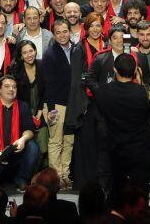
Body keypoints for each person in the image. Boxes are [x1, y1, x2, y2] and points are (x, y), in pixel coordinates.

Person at [96, 54, 150, 201]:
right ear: (136, 70)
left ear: (115, 70)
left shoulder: (103, 91)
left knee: (118, 190)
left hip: (115, 148)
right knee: (141, 192)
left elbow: (102, 111)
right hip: (140, 148)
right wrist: (142, 83)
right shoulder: (143, 92)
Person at [64, 12, 107, 189]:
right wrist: (82, 106)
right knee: (86, 143)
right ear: (86, 28)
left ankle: (102, 179)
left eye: (98, 25)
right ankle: (86, 182)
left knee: (102, 142)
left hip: (104, 102)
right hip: (86, 102)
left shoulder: (108, 46)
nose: (95, 29)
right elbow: (75, 81)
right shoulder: (78, 49)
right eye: (92, 26)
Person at [0, 74, 39, 191]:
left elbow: (30, 129)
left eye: (14, 87)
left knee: (33, 147)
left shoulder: (23, 106)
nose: (11, 89)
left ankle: (21, 179)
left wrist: (22, 139)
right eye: (7, 86)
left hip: (14, 151)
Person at [40, 20, 76, 188]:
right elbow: (48, 85)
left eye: (65, 31)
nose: (62, 35)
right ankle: (56, 177)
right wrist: (52, 109)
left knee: (69, 140)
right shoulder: (50, 54)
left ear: (70, 32)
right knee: (56, 141)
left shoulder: (76, 49)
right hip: (56, 105)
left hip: (72, 105)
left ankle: (65, 174)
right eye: (58, 32)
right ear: (54, 35)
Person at [9, 40, 48, 171]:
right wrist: (28, 115)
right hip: (22, 112)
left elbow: (47, 91)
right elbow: (13, 96)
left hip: (41, 110)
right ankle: (26, 175)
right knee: (29, 146)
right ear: (20, 56)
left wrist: (40, 111)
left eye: (31, 51)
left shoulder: (42, 65)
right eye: (24, 52)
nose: (29, 54)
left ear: (36, 51)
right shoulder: (15, 70)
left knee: (43, 145)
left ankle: (39, 174)